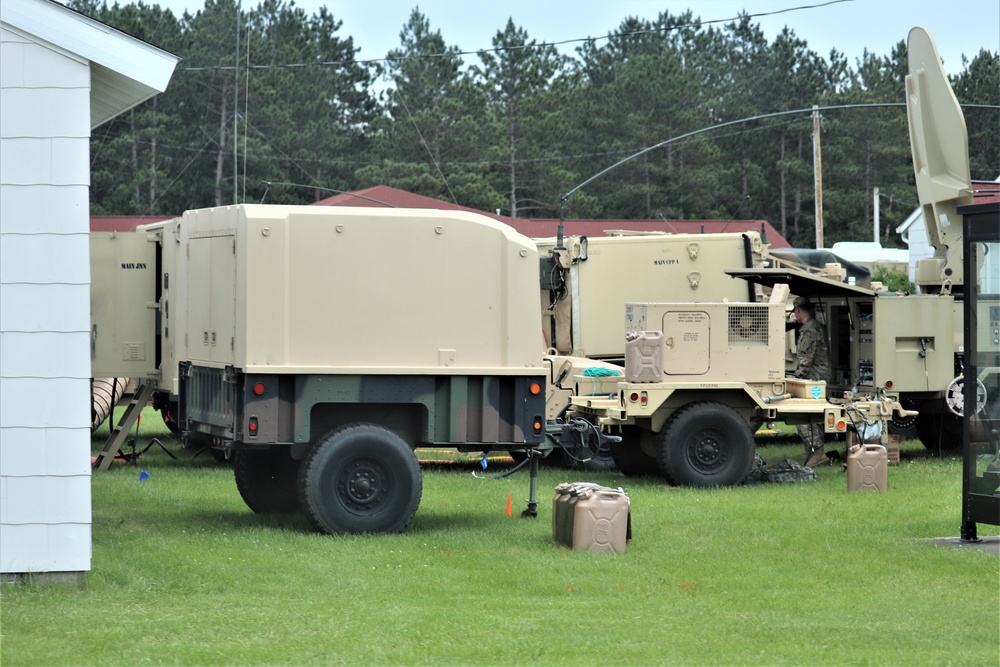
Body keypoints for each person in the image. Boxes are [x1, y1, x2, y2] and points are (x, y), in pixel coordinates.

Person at [791, 296, 833, 467]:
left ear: (798, 310)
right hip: (819, 376)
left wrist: (795, 381)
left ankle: (817, 453)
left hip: (815, 379)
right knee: (813, 417)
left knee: (803, 417)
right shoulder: (815, 327)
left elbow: (806, 360)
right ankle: (815, 453)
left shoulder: (809, 330)